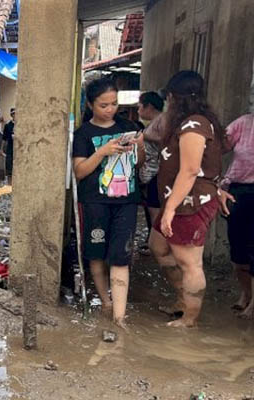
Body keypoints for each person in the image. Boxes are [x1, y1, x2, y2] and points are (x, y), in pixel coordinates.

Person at [149, 71, 223, 328]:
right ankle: (183, 300)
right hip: (178, 200)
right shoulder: (186, 123)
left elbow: (191, 170)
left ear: (173, 97)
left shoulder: (194, 125)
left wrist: (169, 209)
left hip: (188, 203)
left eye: (168, 97)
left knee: (190, 262)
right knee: (158, 246)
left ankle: (189, 318)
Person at [72, 77, 144, 328]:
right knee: (96, 254)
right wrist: (102, 152)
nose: (110, 109)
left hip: (126, 200)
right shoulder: (83, 134)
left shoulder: (128, 126)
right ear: (91, 104)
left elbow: (139, 162)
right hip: (94, 201)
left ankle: (119, 317)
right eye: (104, 105)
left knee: (121, 255)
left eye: (113, 103)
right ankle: (105, 301)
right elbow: (79, 172)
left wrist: (139, 146)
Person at [217, 109, 254, 319]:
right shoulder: (243, 123)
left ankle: (253, 305)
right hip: (238, 191)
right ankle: (246, 293)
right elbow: (217, 149)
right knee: (238, 250)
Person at [137, 92, 166, 254]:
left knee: (155, 210)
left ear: (149, 106)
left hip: (156, 173)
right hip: (151, 173)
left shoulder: (162, 121)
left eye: (140, 106)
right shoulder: (155, 122)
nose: (138, 110)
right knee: (151, 209)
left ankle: (158, 244)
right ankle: (152, 241)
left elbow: (165, 140)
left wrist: (144, 136)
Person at [2, 108, 15, 184]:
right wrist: (1, 150)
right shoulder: (7, 125)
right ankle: (9, 184)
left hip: (18, 149)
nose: (15, 115)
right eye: (13, 114)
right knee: (9, 166)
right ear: (11, 115)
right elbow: (4, 138)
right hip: (10, 147)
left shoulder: (21, 125)